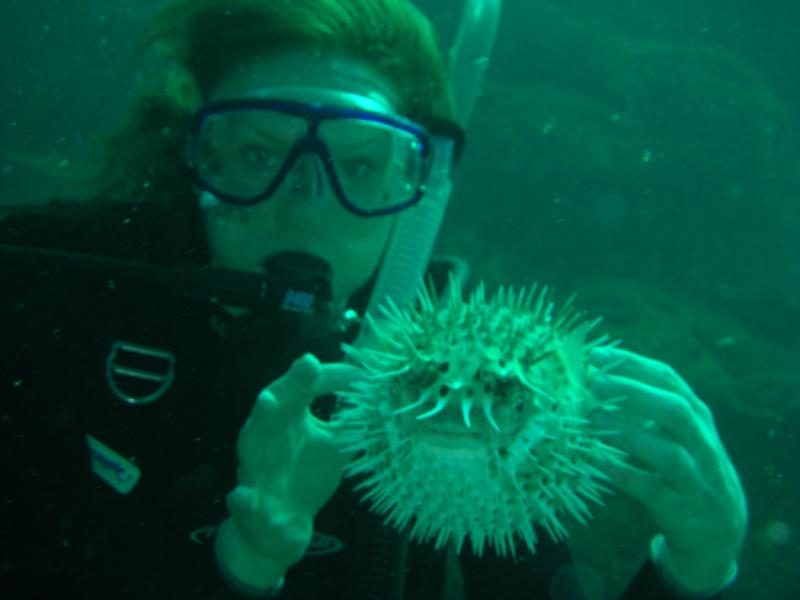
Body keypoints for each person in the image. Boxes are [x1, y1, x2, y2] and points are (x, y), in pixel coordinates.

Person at [0, 0, 746, 598]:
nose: (304, 205)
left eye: (359, 164)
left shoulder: (476, 374)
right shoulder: (47, 294)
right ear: (192, 158)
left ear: (413, 190)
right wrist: (240, 566)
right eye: (257, 153)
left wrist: (696, 569)